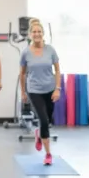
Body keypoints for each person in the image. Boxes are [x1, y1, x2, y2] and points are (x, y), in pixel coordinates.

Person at [19, 19, 61, 165]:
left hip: (50, 89)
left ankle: (39, 134)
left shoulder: (51, 50)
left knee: (47, 121)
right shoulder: (25, 52)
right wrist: (23, 92)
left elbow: (57, 70)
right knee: (43, 120)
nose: (37, 34)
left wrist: (57, 88)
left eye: (39, 32)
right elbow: (23, 74)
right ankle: (48, 154)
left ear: (43, 34)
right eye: (34, 32)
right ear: (30, 34)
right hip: (34, 90)